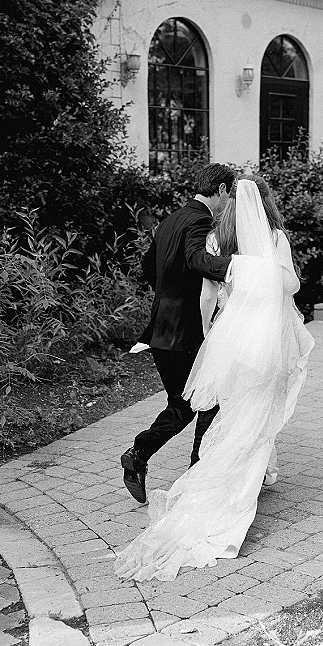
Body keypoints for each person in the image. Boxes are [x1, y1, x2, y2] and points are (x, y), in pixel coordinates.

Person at [115, 174, 314, 582]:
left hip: (209, 336)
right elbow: (290, 285)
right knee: (234, 413)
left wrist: (210, 338)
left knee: (211, 407)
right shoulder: (271, 240)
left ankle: (203, 471)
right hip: (259, 343)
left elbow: (179, 282)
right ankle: (211, 479)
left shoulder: (205, 235)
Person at [120, 163, 236, 504]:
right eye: (228, 195)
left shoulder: (170, 220)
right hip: (185, 332)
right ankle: (198, 473)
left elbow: (147, 267)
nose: (228, 202)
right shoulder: (200, 220)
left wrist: (170, 290)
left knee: (183, 404)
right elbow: (196, 259)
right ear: (223, 190)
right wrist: (236, 266)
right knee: (208, 401)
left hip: (160, 331)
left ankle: (139, 454)